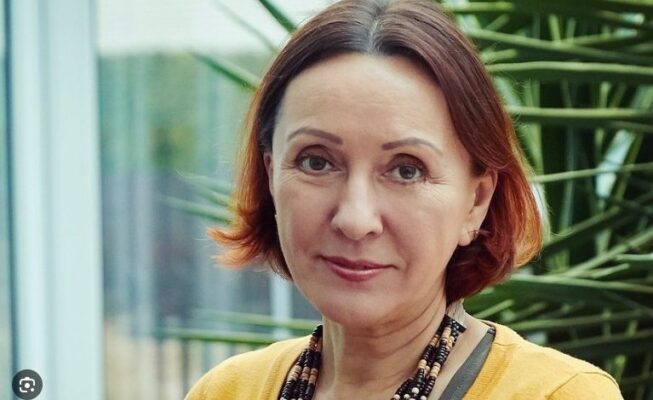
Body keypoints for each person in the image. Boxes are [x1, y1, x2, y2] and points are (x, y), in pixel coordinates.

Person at [186, 0, 623, 398]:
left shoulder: (558, 394)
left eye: (406, 170)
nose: (355, 219)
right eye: (316, 162)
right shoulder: (227, 391)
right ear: (271, 176)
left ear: (476, 201)